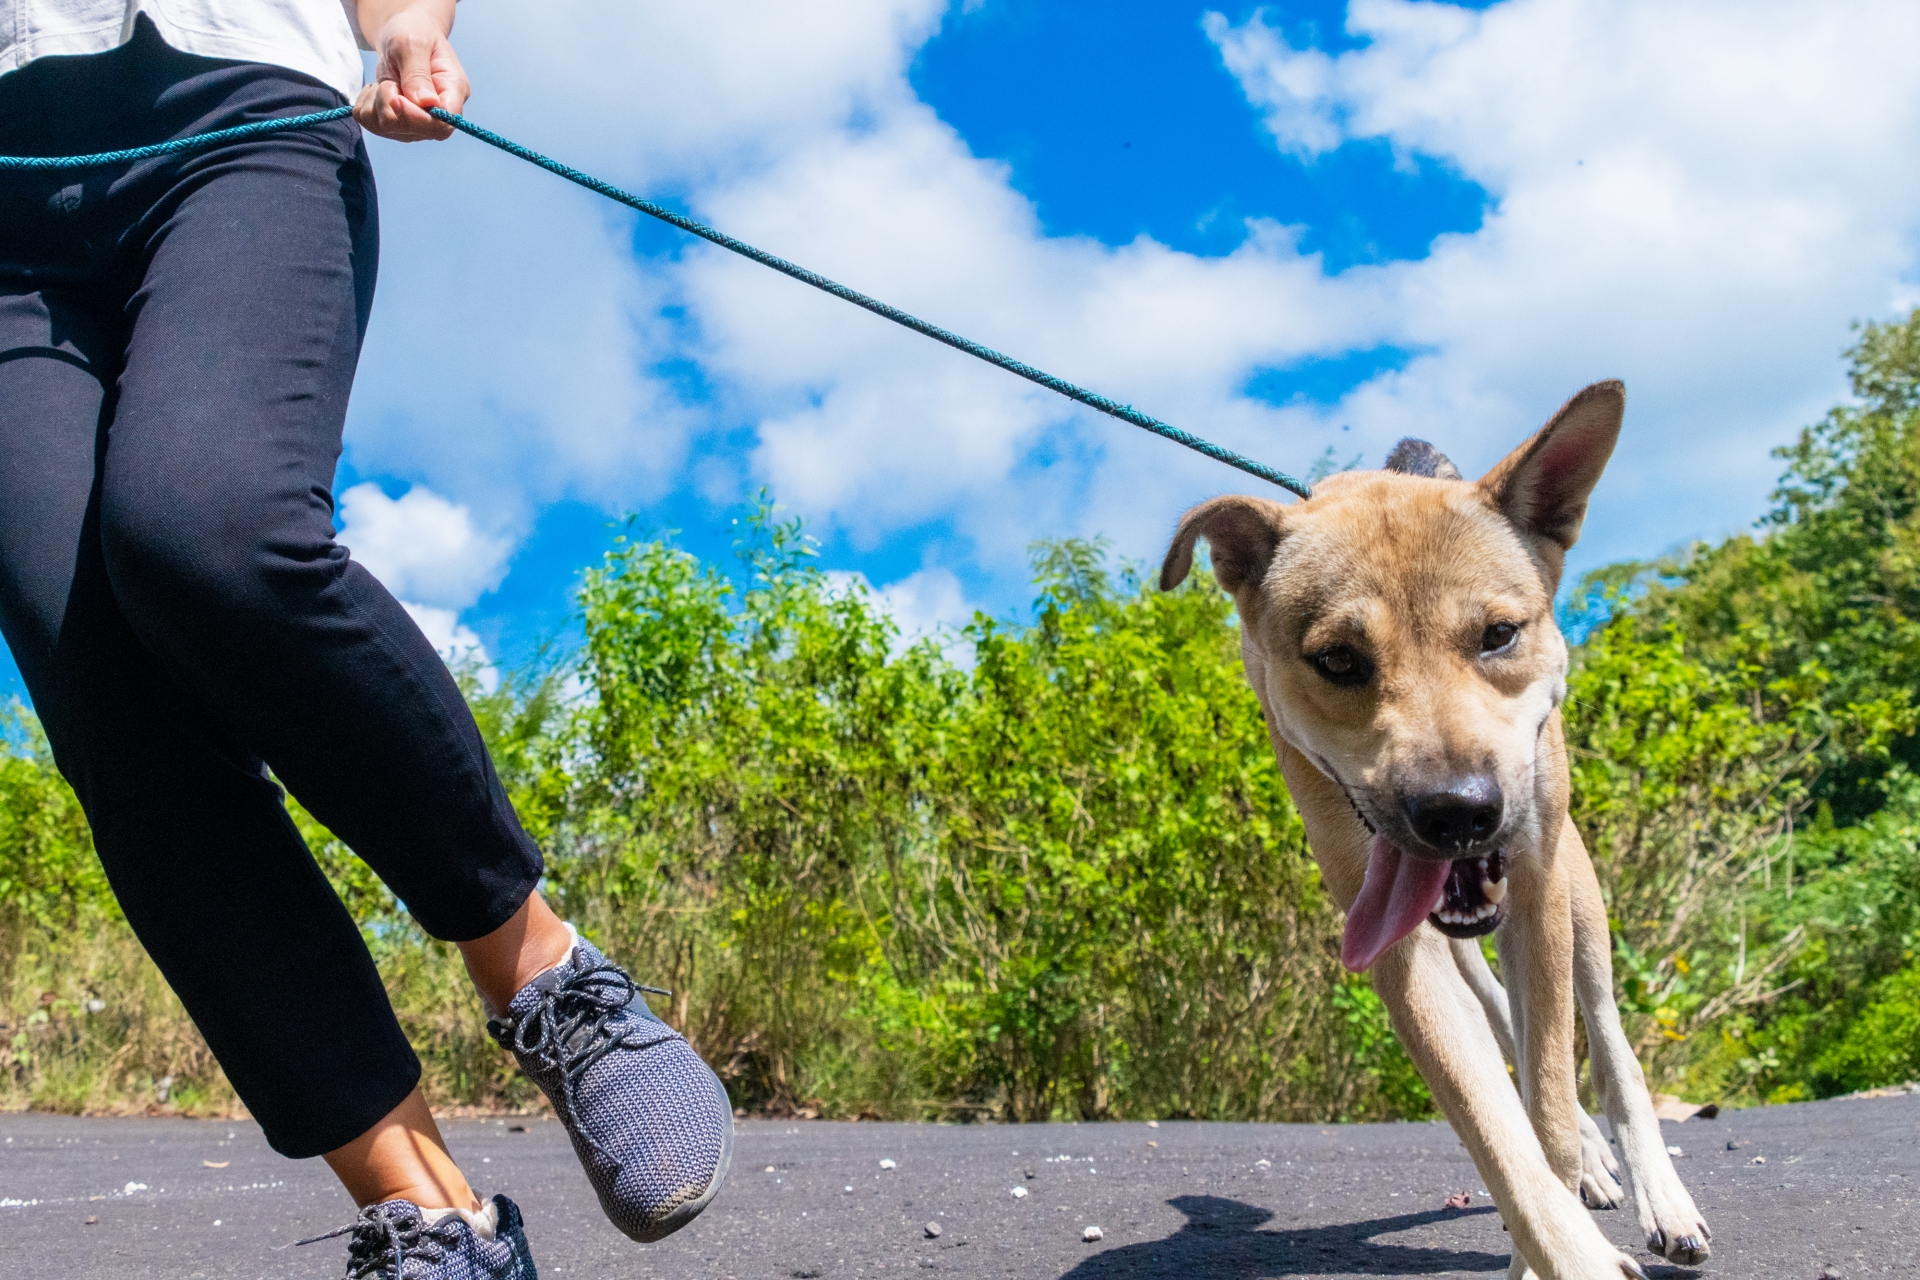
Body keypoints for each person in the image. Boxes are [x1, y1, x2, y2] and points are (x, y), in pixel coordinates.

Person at [0, 3, 733, 1276]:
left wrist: (406, 28)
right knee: (103, 690)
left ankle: (545, 977)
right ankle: (429, 1219)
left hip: (235, 115)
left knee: (207, 529)